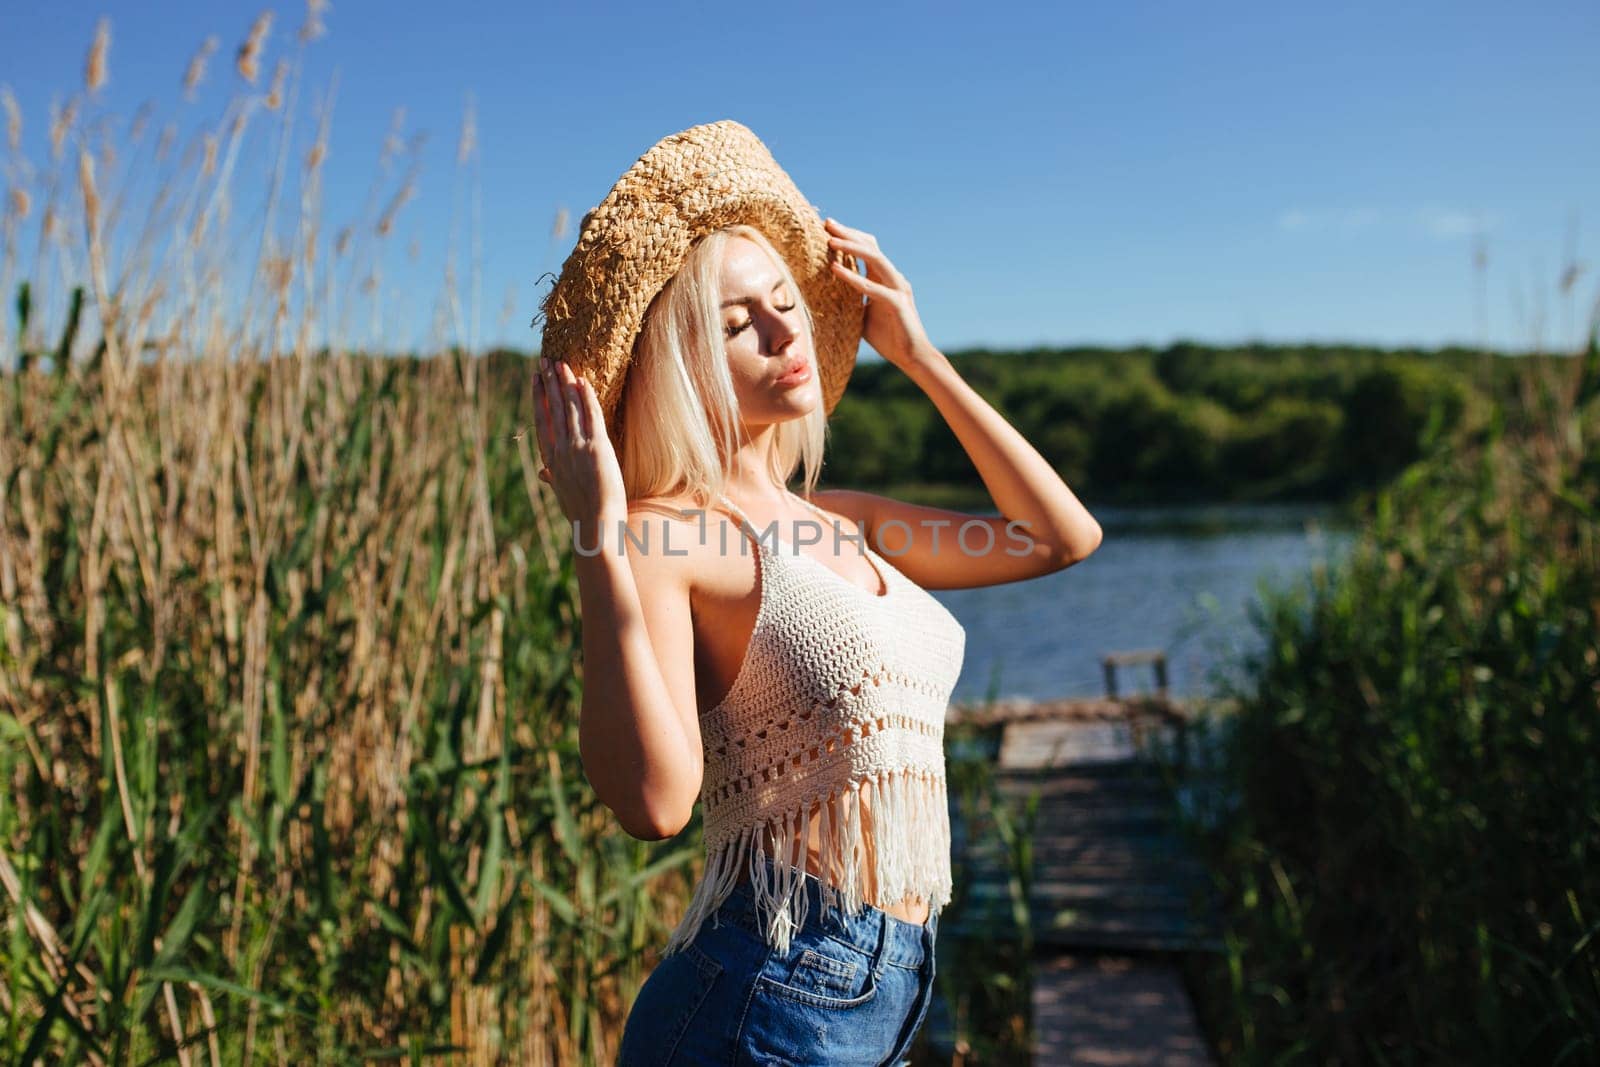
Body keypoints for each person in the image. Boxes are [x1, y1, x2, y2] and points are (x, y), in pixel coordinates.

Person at [532, 120, 1102, 1066]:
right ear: (685, 361)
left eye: (786, 298)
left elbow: (1059, 536)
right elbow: (655, 803)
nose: (781, 327)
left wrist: (919, 356)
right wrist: (598, 532)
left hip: (892, 984)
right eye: (733, 320)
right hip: (767, 987)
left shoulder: (838, 519)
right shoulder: (664, 530)